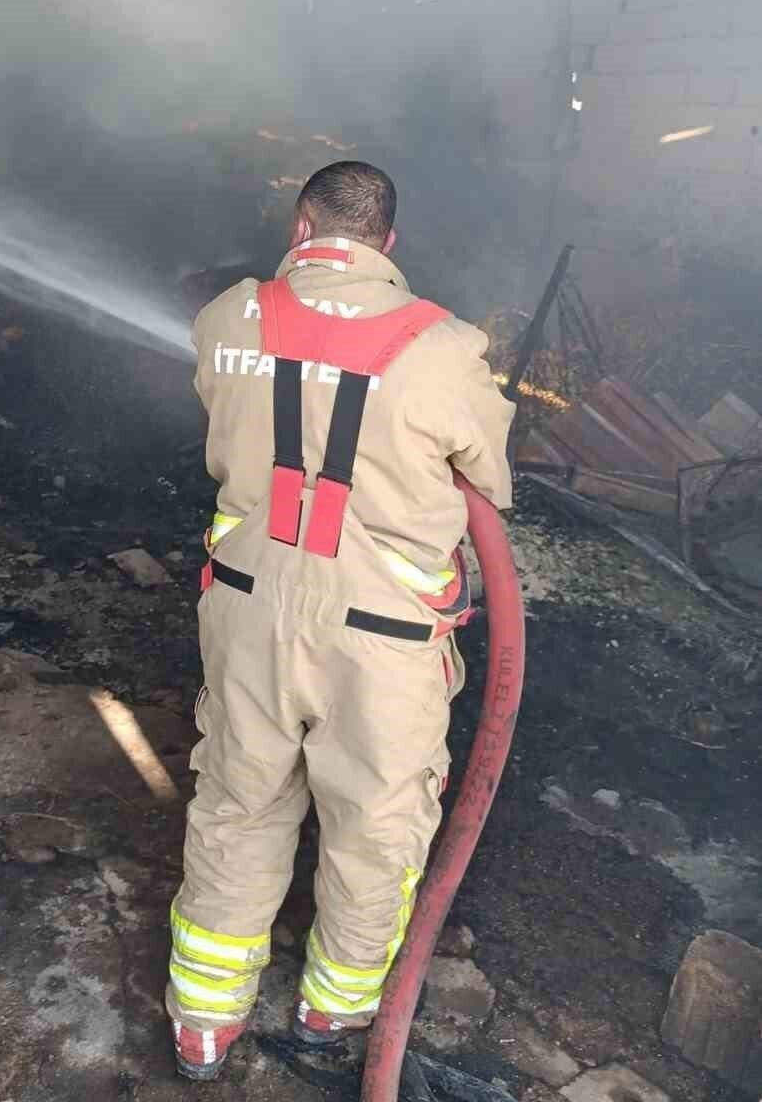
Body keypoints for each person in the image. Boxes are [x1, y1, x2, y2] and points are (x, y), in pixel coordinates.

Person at [167, 160, 514, 1082]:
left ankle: (203, 1024)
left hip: (249, 613)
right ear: (388, 242)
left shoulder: (229, 317)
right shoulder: (447, 348)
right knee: (376, 824)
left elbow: (230, 406)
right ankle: (333, 1011)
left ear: (301, 225)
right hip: (382, 640)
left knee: (239, 804)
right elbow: (493, 480)